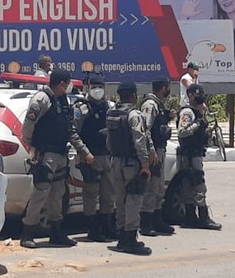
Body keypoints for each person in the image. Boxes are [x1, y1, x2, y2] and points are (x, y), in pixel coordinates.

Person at [20, 69, 94, 249]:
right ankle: (27, 233)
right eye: (68, 82)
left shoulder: (63, 100)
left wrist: (84, 151)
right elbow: (28, 126)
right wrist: (31, 146)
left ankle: (56, 232)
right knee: (40, 194)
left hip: (61, 153)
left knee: (57, 196)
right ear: (61, 83)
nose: (69, 86)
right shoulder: (41, 99)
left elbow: (69, 130)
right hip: (46, 154)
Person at [106, 82, 155, 255]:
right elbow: (139, 140)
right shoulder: (135, 115)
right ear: (133, 95)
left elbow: (109, 140)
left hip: (116, 162)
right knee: (134, 201)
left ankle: (121, 237)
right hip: (132, 164)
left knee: (120, 201)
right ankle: (130, 239)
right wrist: (145, 165)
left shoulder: (111, 113)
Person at [72, 73, 116, 242]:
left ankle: (107, 227)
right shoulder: (81, 108)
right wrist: (84, 152)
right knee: (91, 194)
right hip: (90, 157)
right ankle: (92, 229)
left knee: (109, 194)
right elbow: (73, 131)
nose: (98, 90)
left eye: (100, 86)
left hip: (107, 156)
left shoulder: (108, 106)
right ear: (88, 88)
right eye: (94, 86)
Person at [176, 83, 222, 230]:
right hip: (189, 154)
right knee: (197, 185)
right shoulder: (188, 113)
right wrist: (198, 123)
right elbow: (182, 132)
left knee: (192, 186)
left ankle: (192, 217)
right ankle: (201, 217)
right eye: (197, 94)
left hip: (195, 152)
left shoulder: (197, 112)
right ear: (190, 96)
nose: (200, 97)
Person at [140, 76, 176, 236]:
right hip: (153, 152)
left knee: (159, 187)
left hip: (160, 149)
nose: (168, 90)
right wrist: (151, 151)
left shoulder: (159, 106)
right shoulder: (150, 105)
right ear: (163, 88)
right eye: (167, 87)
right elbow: (145, 129)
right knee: (151, 187)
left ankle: (157, 219)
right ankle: (146, 223)